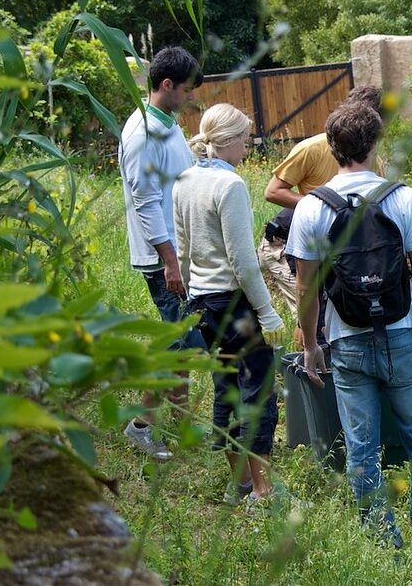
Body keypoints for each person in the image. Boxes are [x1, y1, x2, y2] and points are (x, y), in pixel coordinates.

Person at [287, 101, 412, 558]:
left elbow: (307, 288)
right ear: (374, 145)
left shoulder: (311, 209)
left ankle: (384, 545)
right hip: (403, 334)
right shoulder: (401, 198)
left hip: (347, 341)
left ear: (332, 147)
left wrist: (312, 344)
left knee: (362, 450)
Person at [173, 103, 289, 511]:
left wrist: (191, 294)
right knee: (256, 389)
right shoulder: (230, 186)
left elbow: (183, 249)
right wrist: (268, 311)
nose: (248, 145)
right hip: (235, 301)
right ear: (225, 141)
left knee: (225, 388)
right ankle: (263, 491)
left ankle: (238, 483)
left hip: (203, 301)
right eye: (244, 138)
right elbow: (243, 261)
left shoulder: (184, 179)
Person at [119, 46, 207, 460]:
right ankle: (140, 425)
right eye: (187, 90)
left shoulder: (166, 122)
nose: (192, 98)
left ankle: (183, 422)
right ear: (166, 85)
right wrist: (170, 261)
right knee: (177, 344)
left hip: (180, 251)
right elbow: (145, 202)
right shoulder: (141, 135)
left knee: (185, 343)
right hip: (162, 258)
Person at [258, 86, 384, 346]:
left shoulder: (374, 162)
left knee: (331, 313)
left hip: (332, 249)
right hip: (284, 243)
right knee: (310, 314)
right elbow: (272, 191)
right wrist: (320, 205)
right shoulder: (313, 148)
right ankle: (303, 372)